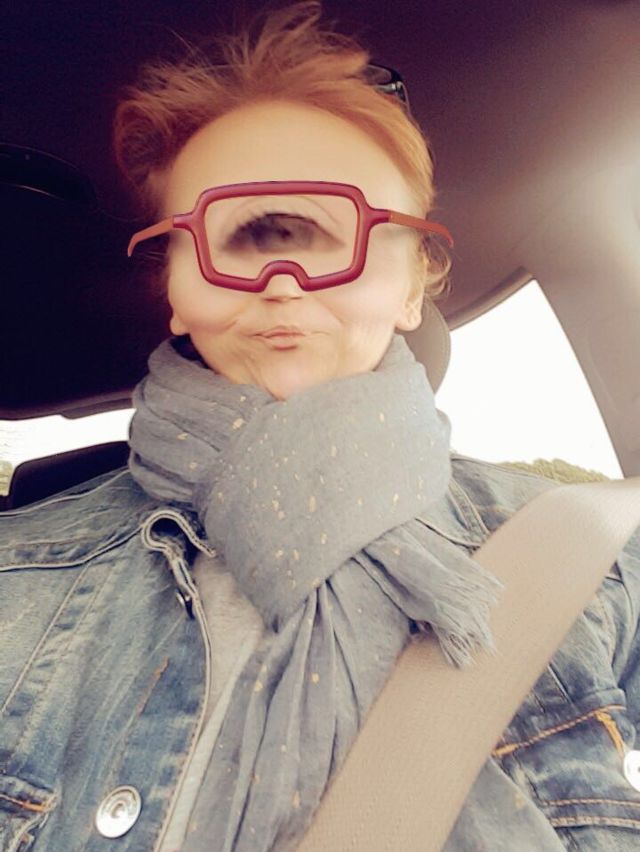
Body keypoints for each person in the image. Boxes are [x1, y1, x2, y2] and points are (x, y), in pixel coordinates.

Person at [1, 3, 640, 850]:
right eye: (240, 237)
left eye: (327, 233)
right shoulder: (14, 575)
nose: (283, 280)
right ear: (177, 292)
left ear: (412, 288)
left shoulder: (598, 561)